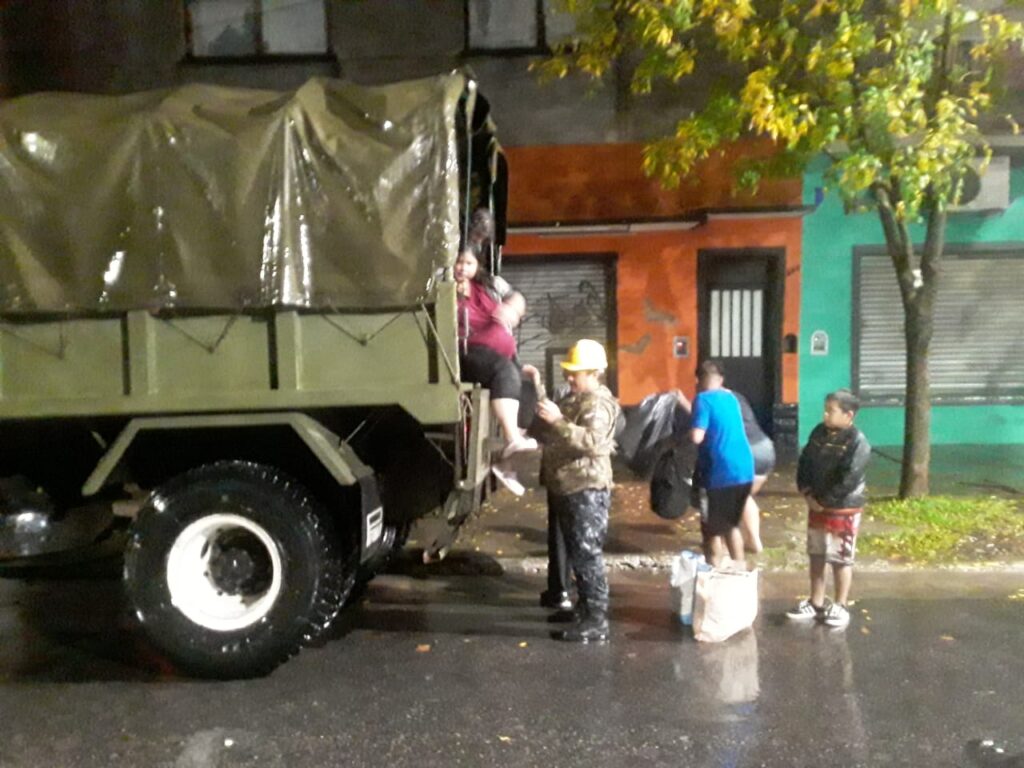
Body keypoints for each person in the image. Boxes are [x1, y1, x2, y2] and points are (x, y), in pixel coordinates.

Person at [530, 339, 620, 643]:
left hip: (586, 489)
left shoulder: (597, 403)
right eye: (569, 372)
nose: (569, 378)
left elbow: (595, 443)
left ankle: (597, 620)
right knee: (578, 556)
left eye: (576, 373)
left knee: (587, 555)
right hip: (569, 487)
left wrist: (557, 421)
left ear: (594, 373)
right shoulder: (575, 399)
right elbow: (556, 421)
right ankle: (584, 610)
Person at [786, 389, 871, 630]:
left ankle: (841, 604)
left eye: (831, 410)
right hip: (816, 505)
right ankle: (815, 601)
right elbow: (804, 463)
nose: (825, 414)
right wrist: (807, 492)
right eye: (825, 409)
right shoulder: (818, 433)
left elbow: (850, 477)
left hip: (843, 508)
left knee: (841, 557)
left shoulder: (857, 442)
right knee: (816, 554)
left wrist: (826, 501)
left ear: (849, 415)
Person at [453, 243, 537, 484]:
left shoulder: (488, 285)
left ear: (477, 265)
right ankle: (511, 439)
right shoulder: (444, 287)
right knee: (504, 372)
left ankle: (508, 464)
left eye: (468, 263)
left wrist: (512, 309)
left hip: (502, 355)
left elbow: (517, 297)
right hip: (469, 352)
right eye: (458, 262)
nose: (462, 268)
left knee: (528, 390)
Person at [689, 360, 754, 568]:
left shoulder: (702, 399)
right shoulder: (731, 397)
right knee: (731, 524)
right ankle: (739, 570)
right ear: (721, 380)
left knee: (712, 529)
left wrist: (683, 435)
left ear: (697, 380)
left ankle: (713, 573)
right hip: (745, 470)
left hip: (720, 472)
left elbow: (697, 437)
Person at [736, 392, 776, 554]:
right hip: (765, 447)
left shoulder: (712, 400)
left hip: (748, 450)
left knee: (735, 498)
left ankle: (727, 545)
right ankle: (754, 541)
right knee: (744, 497)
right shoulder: (738, 396)